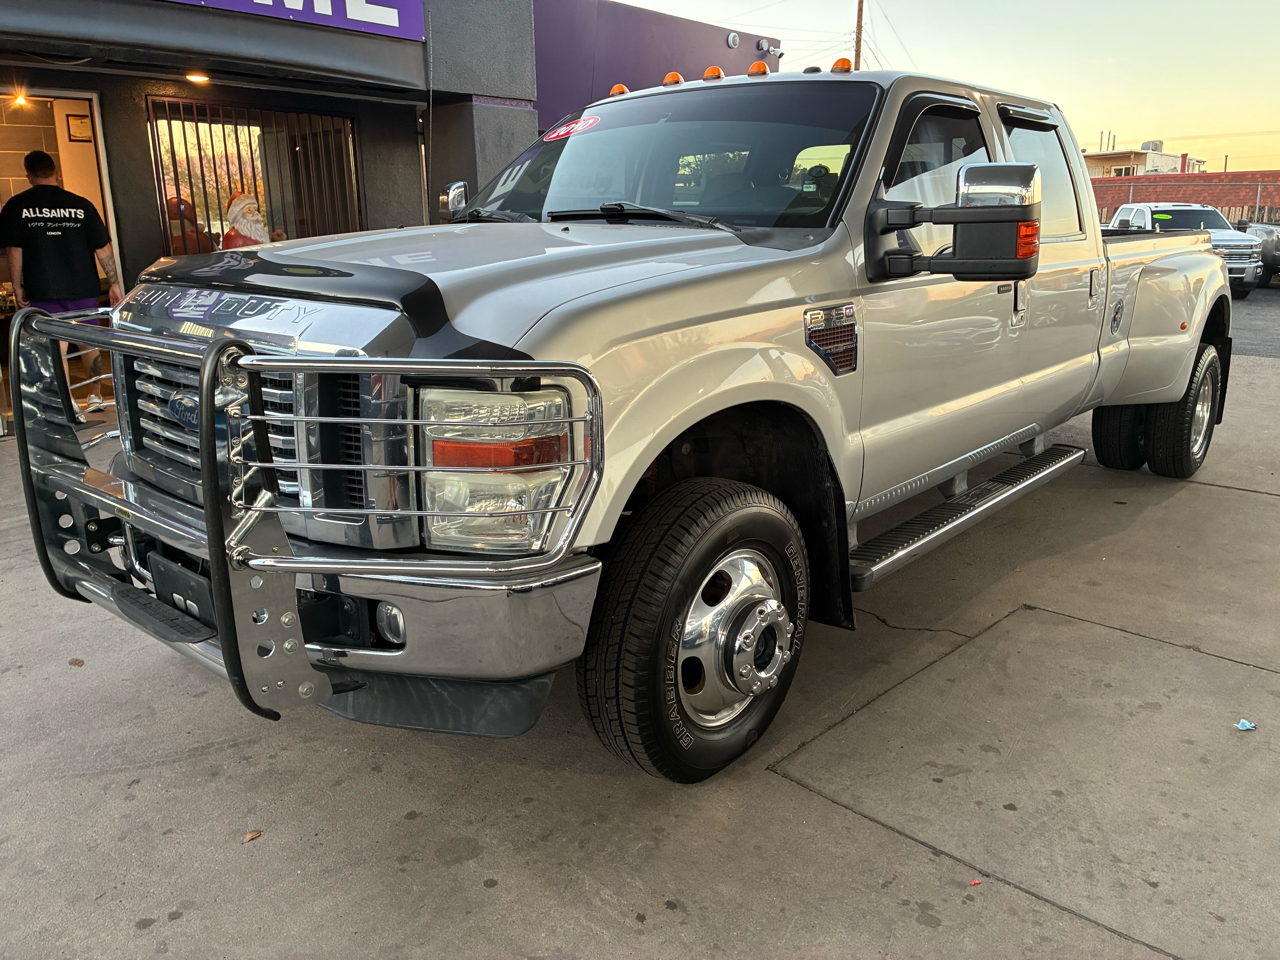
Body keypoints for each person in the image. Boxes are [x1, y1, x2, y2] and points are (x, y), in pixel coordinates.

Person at [0, 150, 123, 411]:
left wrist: (17, 285)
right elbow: (103, 248)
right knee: (87, 339)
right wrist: (114, 282)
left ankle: (68, 402)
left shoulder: (18, 206)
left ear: (29, 176)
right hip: (83, 287)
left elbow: (14, 250)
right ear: (57, 174)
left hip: (44, 287)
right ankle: (96, 395)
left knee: (57, 345)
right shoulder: (81, 204)